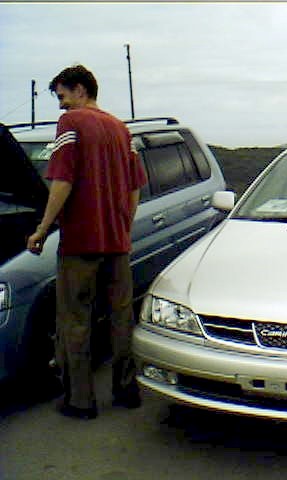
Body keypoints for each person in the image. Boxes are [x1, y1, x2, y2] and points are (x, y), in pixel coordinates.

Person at [27, 64, 147, 420]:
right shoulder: (121, 129)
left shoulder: (72, 124)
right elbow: (135, 186)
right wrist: (123, 222)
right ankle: (126, 390)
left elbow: (62, 181)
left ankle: (81, 401)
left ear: (80, 90)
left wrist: (42, 229)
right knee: (121, 317)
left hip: (80, 243)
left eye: (62, 96)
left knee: (75, 320)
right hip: (117, 243)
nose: (61, 106)